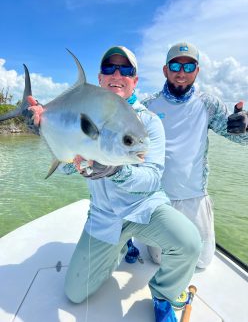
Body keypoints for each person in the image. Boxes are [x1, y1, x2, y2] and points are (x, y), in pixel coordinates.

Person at [28, 46, 201, 322]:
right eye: (109, 69)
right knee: (74, 293)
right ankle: (120, 247)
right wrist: (42, 127)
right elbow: (67, 171)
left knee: (190, 243)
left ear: (135, 80)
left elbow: (153, 177)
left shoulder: (149, 122)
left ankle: (163, 295)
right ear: (99, 78)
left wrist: (114, 170)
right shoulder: (83, 110)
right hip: (104, 215)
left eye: (126, 70)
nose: (116, 74)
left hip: (145, 210)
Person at [144, 42, 248, 269]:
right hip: (158, 197)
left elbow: (237, 136)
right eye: (175, 66)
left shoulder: (209, 104)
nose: (182, 73)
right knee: (158, 261)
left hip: (195, 196)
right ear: (165, 70)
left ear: (197, 71)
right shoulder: (148, 104)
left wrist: (244, 126)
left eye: (189, 67)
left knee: (203, 262)